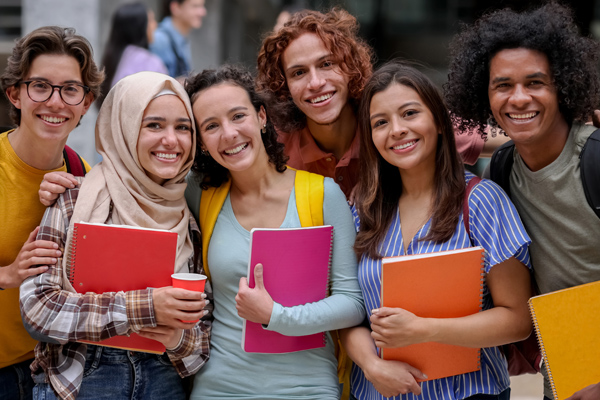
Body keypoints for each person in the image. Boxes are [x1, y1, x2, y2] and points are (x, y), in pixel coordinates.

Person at [342, 61, 533, 399]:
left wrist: (424, 329)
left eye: (410, 113)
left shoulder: (480, 201)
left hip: (467, 393)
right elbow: (350, 314)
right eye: (381, 122)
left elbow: (517, 320)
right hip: (377, 392)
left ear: (439, 123)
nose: (397, 129)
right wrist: (373, 367)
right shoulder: (363, 211)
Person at [19, 71, 212, 400]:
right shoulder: (74, 200)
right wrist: (147, 307)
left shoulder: (186, 216)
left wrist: (176, 339)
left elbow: (201, 341)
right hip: (82, 378)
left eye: (183, 127)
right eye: (153, 125)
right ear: (123, 126)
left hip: (163, 377)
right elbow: (38, 311)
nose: (172, 140)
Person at [444, 2, 600, 399]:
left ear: (561, 86)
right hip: (566, 375)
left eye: (535, 83)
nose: (519, 99)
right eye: (503, 85)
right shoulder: (502, 169)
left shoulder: (596, 158)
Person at [183, 65, 365, 399]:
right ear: (202, 143)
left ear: (262, 117)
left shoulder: (322, 195)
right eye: (211, 126)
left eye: (238, 116)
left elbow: (352, 303)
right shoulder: (199, 193)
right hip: (218, 386)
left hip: (307, 386)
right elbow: (136, 183)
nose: (229, 134)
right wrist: (61, 184)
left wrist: (276, 316)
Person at [0, 26, 102, 400]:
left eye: (70, 89)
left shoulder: (85, 177)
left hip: (53, 375)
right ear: (15, 94)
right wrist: (7, 274)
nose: (56, 102)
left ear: (86, 103)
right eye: (40, 86)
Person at [256, 8, 373, 198]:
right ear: (284, 86)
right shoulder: (272, 150)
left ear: (350, 66)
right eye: (299, 73)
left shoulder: (383, 131)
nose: (316, 83)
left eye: (327, 64)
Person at [98, 2, 167, 109]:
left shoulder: (114, 60)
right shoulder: (149, 62)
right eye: (151, 20)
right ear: (139, 27)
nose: (155, 25)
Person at [150, 0, 207, 78]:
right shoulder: (159, 39)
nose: (203, 12)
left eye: (202, 6)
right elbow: (155, 81)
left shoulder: (182, 39)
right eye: (195, 6)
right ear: (175, 8)